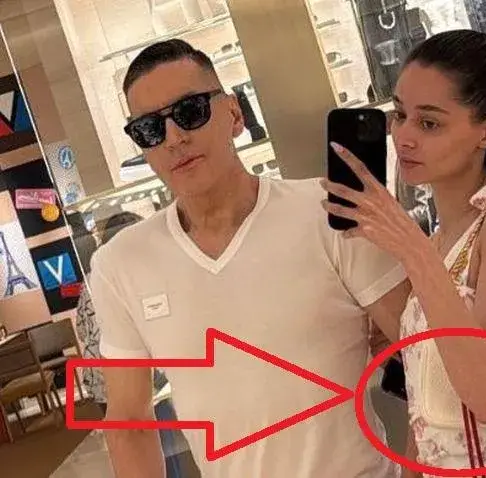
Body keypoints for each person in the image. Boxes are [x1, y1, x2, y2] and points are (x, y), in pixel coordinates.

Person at [91, 39, 411, 478]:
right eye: (149, 129)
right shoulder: (121, 264)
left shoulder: (328, 213)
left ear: (234, 114)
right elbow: (128, 423)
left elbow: (426, 358)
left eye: (190, 112)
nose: (174, 138)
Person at [321, 30, 486, 477]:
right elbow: (430, 408)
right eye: (400, 115)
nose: (404, 137)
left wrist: (413, 253)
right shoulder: (442, 238)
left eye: (429, 123)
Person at [75, 212, 144, 413]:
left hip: (100, 375)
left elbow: (82, 330)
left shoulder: (92, 278)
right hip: (139, 372)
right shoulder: (140, 275)